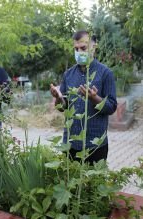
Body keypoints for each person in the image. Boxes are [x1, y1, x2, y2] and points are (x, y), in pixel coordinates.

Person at [50, 30, 117, 164]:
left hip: (95, 144)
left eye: (83, 48)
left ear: (94, 46)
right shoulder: (68, 74)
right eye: (76, 49)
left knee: (94, 184)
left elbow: (111, 107)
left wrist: (94, 98)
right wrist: (58, 98)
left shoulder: (105, 73)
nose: (79, 52)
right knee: (72, 183)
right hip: (71, 142)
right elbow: (63, 107)